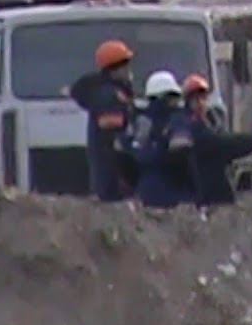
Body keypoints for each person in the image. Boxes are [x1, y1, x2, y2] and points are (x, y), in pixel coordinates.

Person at [182, 73, 252, 206]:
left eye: (203, 98)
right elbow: (229, 144)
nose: (201, 103)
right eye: (195, 100)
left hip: (218, 194)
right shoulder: (194, 129)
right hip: (208, 198)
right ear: (188, 103)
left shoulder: (211, 123)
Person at [69, 40, 138, 202]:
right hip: (111, 169)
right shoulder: (108, 94)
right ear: (115, 68)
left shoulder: (111, 91)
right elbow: (109, 124)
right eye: (125, 65)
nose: (129, 70)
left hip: (111, 166)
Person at [122, 71, 197, 209]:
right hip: (177, 197)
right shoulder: (178, 120)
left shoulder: (138, 122)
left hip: (144, 195)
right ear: (168, 97)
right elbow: (182, 157)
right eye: (174, 97)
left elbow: (126, 159)